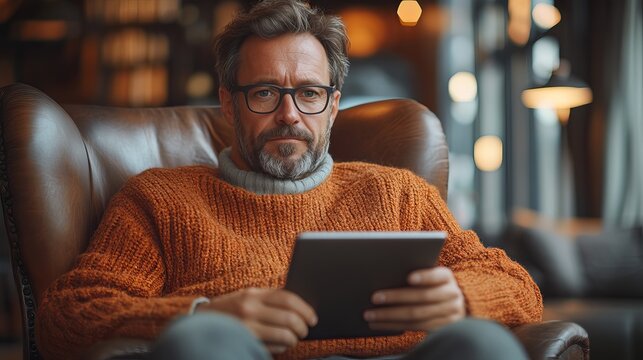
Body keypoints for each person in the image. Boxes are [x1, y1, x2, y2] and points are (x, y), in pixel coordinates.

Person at [35, 1, 543, 359]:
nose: (289, 115)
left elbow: (519, 287)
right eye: (264, 93)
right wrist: (200, 312)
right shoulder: (160, 200)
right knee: (203, 342)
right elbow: (67, 317)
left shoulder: (397, 193)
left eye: (309, 93)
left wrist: (462, 297)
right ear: (230, 102)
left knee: (483, 343)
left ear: (334, 104)